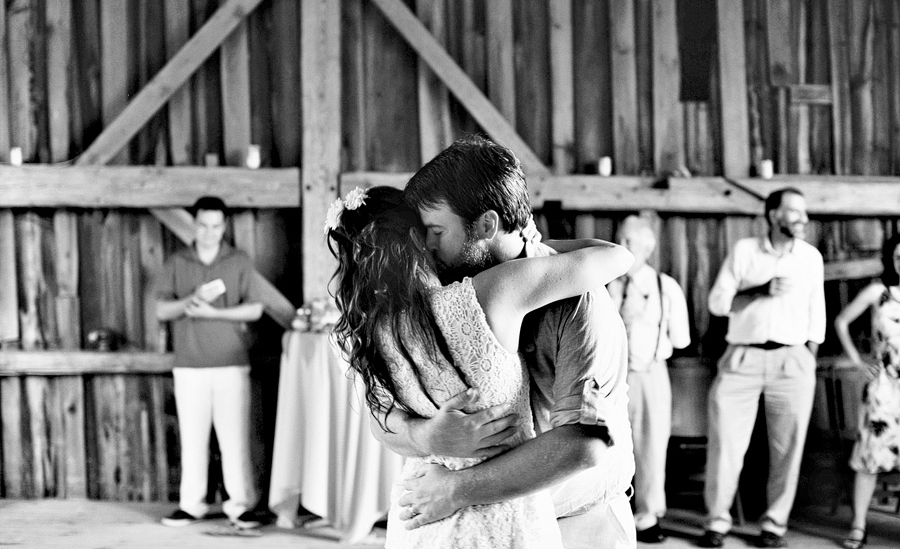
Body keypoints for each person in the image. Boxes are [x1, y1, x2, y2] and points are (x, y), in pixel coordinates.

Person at [326, 184, 633, 548]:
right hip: (505, 519)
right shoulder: (492, 291)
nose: (436, 243)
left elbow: (381, 419)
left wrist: (444, 469)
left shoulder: (362, 333)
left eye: (439, 231)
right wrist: (425, 436)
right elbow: (615, 256)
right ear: (415, 237)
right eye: (431, 233)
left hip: (430, 519)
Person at [698, 187, 825, 549]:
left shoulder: (810, 258)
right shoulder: (744, 252)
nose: (801, 217)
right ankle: (716, 524)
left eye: (803, 211)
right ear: (772, 215)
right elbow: (718, 302)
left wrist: (808, 355)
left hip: (793, 361)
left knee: (788, 449)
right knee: (725, 445)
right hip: (742, 358)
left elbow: (818, 313)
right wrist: (759, 289)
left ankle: (774, 526)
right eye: (793, 211)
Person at [155, 196, 264, 529]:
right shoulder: (177, 261)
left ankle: (241, 506)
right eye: (203, 225)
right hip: (189, 364)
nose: (209, 232)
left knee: (234, 440)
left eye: (216, 225)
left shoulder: (239, 260)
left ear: (224, 226)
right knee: (192, 439)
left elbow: (255, 309)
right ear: (195, 224)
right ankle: (191, 506)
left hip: (231, 364)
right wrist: (192, 299)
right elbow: (161, 310)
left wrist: (214, 313)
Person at [608, 215, 691, 543]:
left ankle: (648, 516)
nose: (622, 247)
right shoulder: (606, 285)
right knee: (607, 444)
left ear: (648, 246)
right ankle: (610, 511)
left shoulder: (665, 287)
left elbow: (681, 339)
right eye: (620, 239)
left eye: (629, 241)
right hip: (610, 376)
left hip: (650, 373)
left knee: (651, 446)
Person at [833, 233, 900, 549]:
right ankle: (858, 526)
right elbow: (841, 321)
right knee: (870, 456)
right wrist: (859, 362)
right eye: (899, 256)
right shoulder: (879, 292)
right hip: (884, 388)